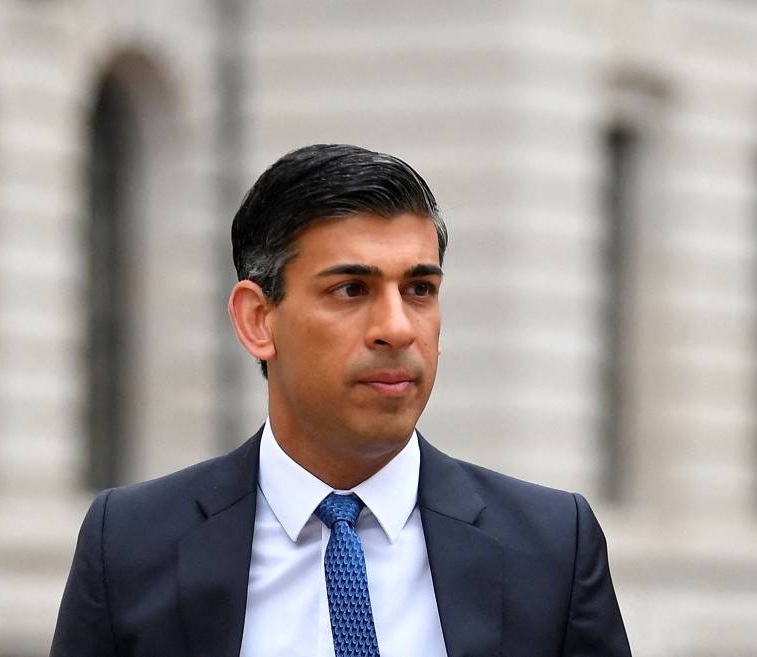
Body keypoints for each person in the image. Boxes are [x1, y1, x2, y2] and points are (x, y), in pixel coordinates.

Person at [50, 144, 632, 657]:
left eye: (420, 290)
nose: (398, 329)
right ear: (258, 320)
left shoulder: (552, 547)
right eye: (352, 290)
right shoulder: (130, 545)